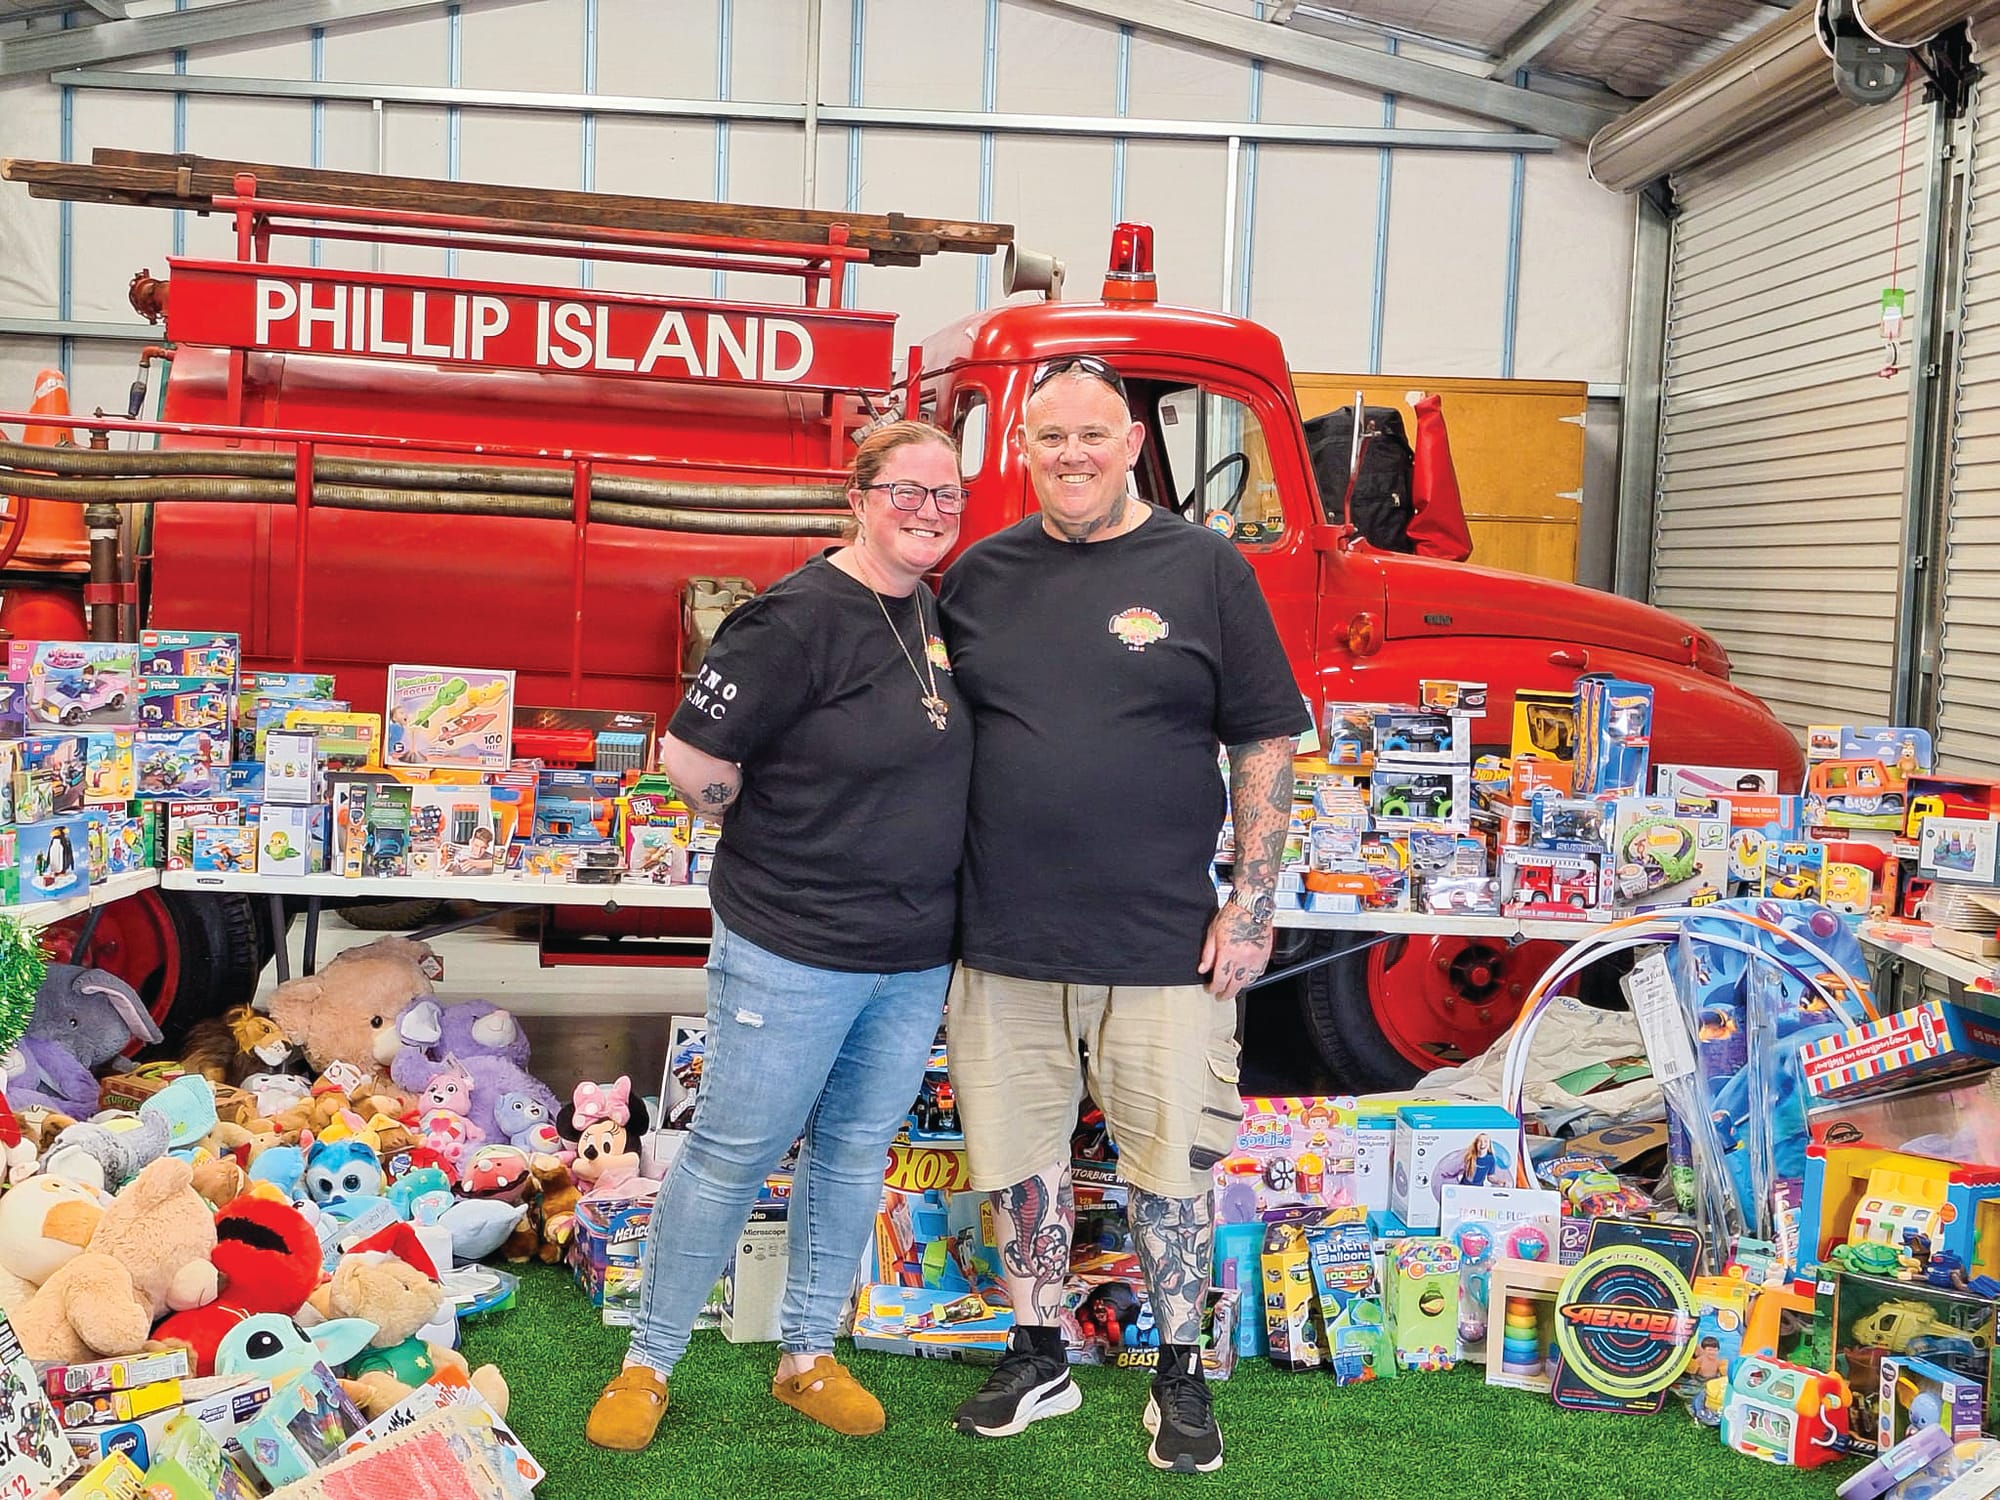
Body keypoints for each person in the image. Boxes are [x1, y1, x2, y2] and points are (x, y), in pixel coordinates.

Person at [938, 355, 1309, 1474]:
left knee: (1171, 1167)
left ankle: (1178, 1374)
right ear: (1020, 448)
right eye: (1048, 437)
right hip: (1000, 936)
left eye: (1092, 436)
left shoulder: (1204, 569)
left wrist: (1249, 903)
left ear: (1132, 443)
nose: (1071, 457)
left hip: (1159, 942)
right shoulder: (978, 574)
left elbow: (1264, 738)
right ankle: (1037, 1348)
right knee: (1017, 1160)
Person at [585, 420, 973, 1451]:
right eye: (907, 491)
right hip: (792, 946)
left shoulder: (925, 608)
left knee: (851, 1155)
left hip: (910, 951)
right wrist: (784, 832)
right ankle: (649, 1362)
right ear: (857, 495)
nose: (928, 513)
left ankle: (805, 1354)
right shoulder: (792, 617)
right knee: (731, 1153)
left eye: (947, 496)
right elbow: (692, 760)